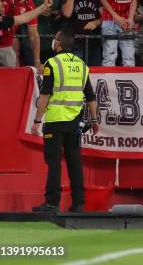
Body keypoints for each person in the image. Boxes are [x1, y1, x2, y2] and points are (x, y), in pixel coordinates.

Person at [31, 26, 99, 213]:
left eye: (55, 38)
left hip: (55, 121)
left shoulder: (52, 64)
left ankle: (52, 203)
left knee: (54, 163)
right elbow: (91, 96)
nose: (53, 41)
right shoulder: (82, 65)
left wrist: (37, 121)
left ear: (58, 44)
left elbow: (45, 94)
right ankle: (79, 204)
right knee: (74, 162)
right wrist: (94, 120)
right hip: (75, 122)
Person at [61, 0, 103, 66]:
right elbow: (66, 13)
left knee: (94, 74)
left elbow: (105, 15)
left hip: (94, 42)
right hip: (75, 44)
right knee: (77, 76)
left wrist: (96, 22)